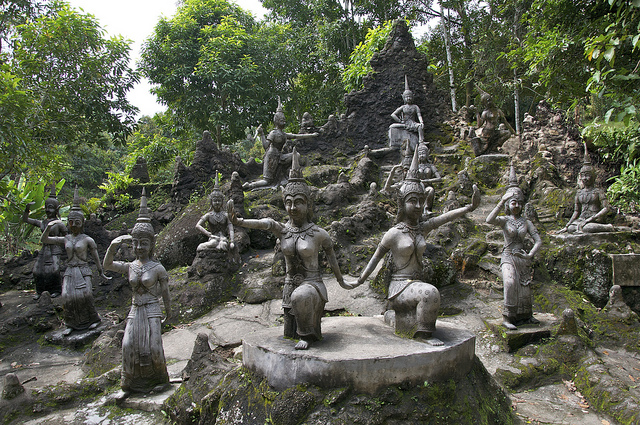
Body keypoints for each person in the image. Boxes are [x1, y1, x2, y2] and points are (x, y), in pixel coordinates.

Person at [230, 148, 354, 350]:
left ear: (308, 204)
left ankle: (308, 336)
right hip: (290, 285)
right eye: (288, 203)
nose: (292, 208)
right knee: (289, 331)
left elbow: (332, 259)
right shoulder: (283, 230)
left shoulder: (318, 233)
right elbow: (265, 223)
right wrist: (240, 221)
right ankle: (300, 334)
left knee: (301, 300)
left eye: (298, 202)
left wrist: (342, 281)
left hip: (312, 286)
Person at [357, 148, 480, 345]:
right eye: (412, 201)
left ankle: (397, 319)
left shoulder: (422, 228)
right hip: (398, 286)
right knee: (429, 293)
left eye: (421, 201)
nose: (418, 206)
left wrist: (469, 208)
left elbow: (444, 217)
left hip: (416, 282)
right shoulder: (394, 233)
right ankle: (423, 335)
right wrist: (358, 281)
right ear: (402, 203)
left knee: (427, 291)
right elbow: (375, 260)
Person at [103, 189, 171, 396]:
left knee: (154, 349)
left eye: (144, 243)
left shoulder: (158, 268)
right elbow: (107, 265)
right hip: (135, 310)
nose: (139, 247)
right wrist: (112, 247)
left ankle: (160, 380)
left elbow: (166, 293)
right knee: (128, 345)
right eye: (136, 243)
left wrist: (169, 313)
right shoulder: (130, 266)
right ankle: (131, 382)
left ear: (152, 244)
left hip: (151, 309)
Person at [486, 165, 542, 330]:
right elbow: (489, 220)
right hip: (508, 256)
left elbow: (538, 240)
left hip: (522, 257)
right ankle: (507, 316)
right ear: (508, 205)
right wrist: (502, 200)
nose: (516, 205)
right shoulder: (504, 220)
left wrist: (530, 254)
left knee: (525, 287)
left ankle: (526, 315)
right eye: (513, 202)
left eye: (518, 202)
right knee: (510, 283)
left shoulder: (526, 222)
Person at [41, 186, 103, 335]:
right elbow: (45, 240)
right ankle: (70, 324)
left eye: (77, 222)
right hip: (70, 270)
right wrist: (49, 227)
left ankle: (93, 320)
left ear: (82, 223)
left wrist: (101, 272)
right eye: (71, 222)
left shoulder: (88, 240)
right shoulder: (66, 238)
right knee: (67, 297)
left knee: (86, 295)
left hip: (83, 269)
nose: (73, 225)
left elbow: (95, 258)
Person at [244, 97, 319, 190]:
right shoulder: (273, 133)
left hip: (280, 156)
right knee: (267, 181)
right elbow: (265, 146)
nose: (283, 121)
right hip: (271, 157)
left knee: (296, 155)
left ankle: (286, 176)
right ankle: (249, 185)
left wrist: (311, 135)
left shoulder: (284, 134)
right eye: (281, 119)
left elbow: (296, 136)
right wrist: (262, 134)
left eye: (284, 119)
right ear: (276, 120)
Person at [557, 144, 614, 234]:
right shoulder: (579, 193)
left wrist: (592, 218)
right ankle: (579, 227)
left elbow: (606, 208)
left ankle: (607, 227)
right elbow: (576, 211)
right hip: (582, 219)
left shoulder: (598, 191)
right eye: (583, 175)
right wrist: (567, 225)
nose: (585, 178)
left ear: (593, 176)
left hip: (594, 220)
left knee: (588, 228)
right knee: (571, 228)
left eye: (587, 175)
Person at [23, 185, 66, 299]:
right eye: (46, 207)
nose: (48, 210)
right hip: (44, 249)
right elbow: (25, 219)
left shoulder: (59, 224)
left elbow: (68, 237)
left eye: (50, 208)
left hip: (55, 249)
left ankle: (56, 290)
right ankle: (39, 291)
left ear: (57, 209)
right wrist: (27, 209)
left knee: (54, 270)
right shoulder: (42, 222)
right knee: (37, 271)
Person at [195, 172, 235, 252]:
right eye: (215, 201)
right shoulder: (209, 215)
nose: (217, 203)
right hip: (213, 238)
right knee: (206, 245)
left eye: (219, 201)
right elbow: (198, 225)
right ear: (211, 202)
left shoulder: (226, 215)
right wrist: (208, 234)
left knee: (223, 245)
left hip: (223, 238)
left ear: (222, 202)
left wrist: (232, 241)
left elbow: (231, 229)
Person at [389, 75, 425, 150]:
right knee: (392, 126)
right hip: (405, 124)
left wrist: (421, 122)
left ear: (412, 97)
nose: (408, 98)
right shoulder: (403, 107)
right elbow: (393, 114)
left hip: (413, 123)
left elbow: (419, 115)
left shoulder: (415, 107)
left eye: (410, 97)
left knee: (420, 127)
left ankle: (421, 141)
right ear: (404, 98)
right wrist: (400, 121)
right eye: (407, 97)